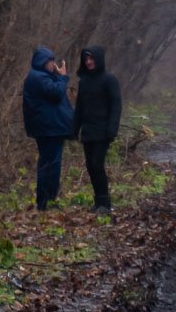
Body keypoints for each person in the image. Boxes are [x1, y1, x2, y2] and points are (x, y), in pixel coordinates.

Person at [22, 47, 74, 211]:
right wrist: (64, 77)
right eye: (51, 61)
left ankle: (47, 201)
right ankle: (46, 202)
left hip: (51, 129)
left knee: (50, 165)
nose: (53, 64)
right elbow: (56, 93)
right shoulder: (38, 77)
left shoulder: (41, 76)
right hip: (49, 129)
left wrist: (58, 77)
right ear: (43, 62)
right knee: (50, 166)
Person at [73, 45, 122, 213]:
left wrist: (112, 129)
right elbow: (79, 108)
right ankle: (98, 201)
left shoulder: (109, 80)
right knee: (90, 166)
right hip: (88, 131)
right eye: (86, 59)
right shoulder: (84, 81)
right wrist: (74, 129)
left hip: (103, 131)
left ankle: (104, 202)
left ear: (98, 59)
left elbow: (116, 105)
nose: (88, 62)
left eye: (91, 59)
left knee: (97, 164)